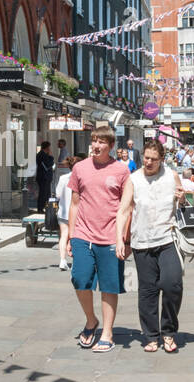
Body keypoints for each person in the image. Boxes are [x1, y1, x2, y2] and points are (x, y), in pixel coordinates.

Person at [117, 139, 185, 353]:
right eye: (146, 157)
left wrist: (182, 198)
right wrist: (120, 238)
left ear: (162, 159)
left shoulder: (171, 175)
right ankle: (152, 336)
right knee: (147, 291)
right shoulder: (134, 179)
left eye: (154, 159)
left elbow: (185, 201)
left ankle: (169, 331)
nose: (148, 162)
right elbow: (124, 209)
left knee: (172, 284)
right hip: (142, 241)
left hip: (168, 238)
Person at [68, 125, 131, 352]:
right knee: (80, 279)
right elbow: (75, 204)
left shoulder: (122, 171)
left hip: (110, 235)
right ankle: (91, 319)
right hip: (83, 234)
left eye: (101, 142)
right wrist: (69, 235)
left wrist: (125, 238)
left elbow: (127, 207)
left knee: (109, 285)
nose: (96, 145)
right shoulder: (80, 168)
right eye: (94, 140)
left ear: (111, 146)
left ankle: (107, 332)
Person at [53, 155, 76, 269]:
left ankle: (62, 260)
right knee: (75, 237)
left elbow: (57, 194)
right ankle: (76, 261)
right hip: (76, 214)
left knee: (64, 236)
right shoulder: (80, 178)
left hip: (63, 212)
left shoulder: (63, 178)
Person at [35, 140, 55, 211]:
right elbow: (47, 165)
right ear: (47, 148)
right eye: (49, 147)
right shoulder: (41, 155)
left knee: (46, 193)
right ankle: (40, 208)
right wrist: (51, 157)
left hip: (46, 177)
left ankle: (44, 207)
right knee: (43, 193)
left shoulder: (44, 155)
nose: (50, 149)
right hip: (43, 177)